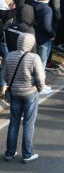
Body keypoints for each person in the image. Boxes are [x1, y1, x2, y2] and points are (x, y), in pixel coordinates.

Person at [2, 32, 44, 163]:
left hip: (15, 93)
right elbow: (40, 78)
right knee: (28, 123)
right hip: (30, 93)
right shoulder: (34, 57)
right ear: (31, 44)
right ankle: (27, 154)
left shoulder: (9, 56)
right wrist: (40, 88)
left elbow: (4, 76)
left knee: (14, 122)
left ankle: (9, 152)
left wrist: (12, 84)